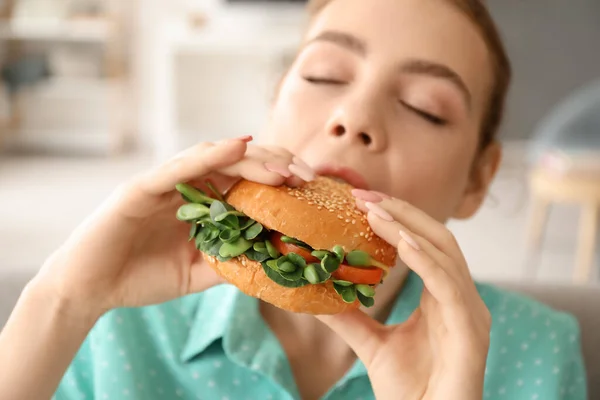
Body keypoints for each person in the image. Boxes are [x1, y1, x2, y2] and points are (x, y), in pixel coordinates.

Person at [0, 0, 587, 399]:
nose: (353, 117)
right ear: (273, 100)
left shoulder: (537, 352)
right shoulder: (116, 315)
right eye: (326, 75)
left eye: (424, 107)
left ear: (478, 180)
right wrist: (62, 303)